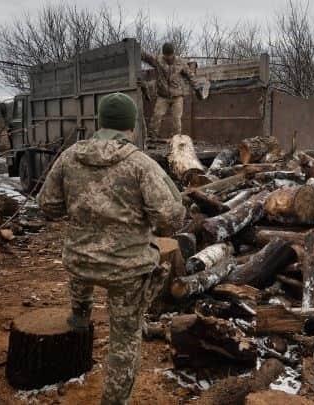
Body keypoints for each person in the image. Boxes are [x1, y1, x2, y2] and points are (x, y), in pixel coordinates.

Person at [37, 92, 185, 404]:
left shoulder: (69, 156)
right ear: (130, 126)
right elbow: (169, 216)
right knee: (125, 339)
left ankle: (79, 316)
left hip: (79, 261)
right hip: (125, 270)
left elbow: (47, 206)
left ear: (100, 123)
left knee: (82, 258)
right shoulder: (140, 164)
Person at [141, 42, 195, 138]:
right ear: (163, 54)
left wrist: (196, 85)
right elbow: (146, 57)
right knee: (156, 116)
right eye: (166, 55)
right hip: (163, 96)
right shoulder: (158, 60)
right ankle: (152, 138)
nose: (168, 57)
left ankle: (176, 139)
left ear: (173, 53)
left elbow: (190, 75)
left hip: (177, 96)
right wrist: (134, 47)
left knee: (176, 119)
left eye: (170, 55)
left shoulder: (180, 62)